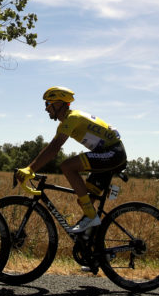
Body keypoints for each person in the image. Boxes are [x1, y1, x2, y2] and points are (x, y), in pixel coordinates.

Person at [15, 87, 126, 235]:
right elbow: (52, 147)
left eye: (48, 103)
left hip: (113, 153)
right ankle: (96, 247)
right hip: (107, 153)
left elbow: (54, 149)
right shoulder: (66, 122)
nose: (46, 108)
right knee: (84, 201)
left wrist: (30, 169)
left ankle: (92, 218)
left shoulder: (72, 118)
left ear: (59, 103)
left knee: (67, 166)